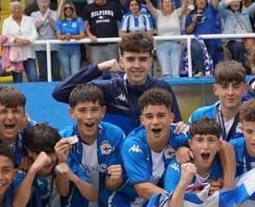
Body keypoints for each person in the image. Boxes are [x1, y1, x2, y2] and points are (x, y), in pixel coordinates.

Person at [113, 88, 191, 207]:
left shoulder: (180, 138)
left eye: (161, 115)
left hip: (155, 206)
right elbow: (143, 189)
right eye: (149, 117)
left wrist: (185, 147)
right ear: (142, 120)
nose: (155, 122)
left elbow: (211, 145)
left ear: (171, 118)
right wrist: (178, 201)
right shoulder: (133, 144)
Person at [53, 32, 182, 134]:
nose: (136, 65)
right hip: (115, 162)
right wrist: (99, 67)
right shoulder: (108, 89)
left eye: (142, 59)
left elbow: (175, 126)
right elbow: (60, 93)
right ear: (121, 61)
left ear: (150, 61)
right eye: (130, 59)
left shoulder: (162, 88)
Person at [56, 83, 125, 207]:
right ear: (71, 113)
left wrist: (116, 178)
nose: (89, 116)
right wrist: (62, 162)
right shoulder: (63, 140)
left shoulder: (115, 135)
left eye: (94, 110)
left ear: (103, 111)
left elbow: (113, 186)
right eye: (82, 110)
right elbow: (63, 191)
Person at [16, 123, 63, 207]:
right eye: (39, 153)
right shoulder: (24, 172)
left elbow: (64, 192)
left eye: (50, 152)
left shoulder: (64, 166)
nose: (46, 159)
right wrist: (33, 170)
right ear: (30, 152)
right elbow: (19, 205)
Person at [184, 0, 223, 77]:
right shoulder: (191, 15)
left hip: (211, 43)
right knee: (193, 45)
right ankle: (201, 71)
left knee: (209, 68)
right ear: (195, 2)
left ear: (206, 1)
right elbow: (187, 31)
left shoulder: (211, 9)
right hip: (198, 42)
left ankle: (204, 73)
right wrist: (193, 22)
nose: (201, 1)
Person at [219, 0, 255, 64]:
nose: (236, 3)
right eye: (233, 2)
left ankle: (252, 71)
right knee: (238, 47)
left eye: (237, 2)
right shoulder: (227, 14)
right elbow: (221, 5)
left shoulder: (245, 13)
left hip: (248, 40)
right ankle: (239, 68)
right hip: (233, 40)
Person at [146, 0, 188, 78]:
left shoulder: (177, 13)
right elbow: (150, 8)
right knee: (166, 73)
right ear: (162, 4)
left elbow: (184, 6)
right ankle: (167, 91)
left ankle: (175, 91)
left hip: (176, 45)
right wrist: (147, 0)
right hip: (162, 46)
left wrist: (185, 2)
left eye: (169, 2)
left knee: (175, 73)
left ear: (172, 4)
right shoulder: (158, 14)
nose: (167, 4)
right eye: (165, 2)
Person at [1, 0, 39, 82]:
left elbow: (35, 33)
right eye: (15, 8)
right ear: (11, 10)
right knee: (17, 79)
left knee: (33, 77)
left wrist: (29, 40)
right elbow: (5, 36)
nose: (17, 10)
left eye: (19, 8)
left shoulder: (29, 19)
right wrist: (15, 39)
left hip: (29, 52)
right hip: (15, 55)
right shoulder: (6, 21)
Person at [84, 0, 124, 64]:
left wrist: (121, 36)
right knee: (96, 71)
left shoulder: (113, 5)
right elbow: (84, 25)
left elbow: (123, 22)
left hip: (112, 44)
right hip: (95, 45)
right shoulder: (88, 8)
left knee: (114, 70)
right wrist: (90, 35)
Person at [31, 0, 60, 81]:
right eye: (41, 2)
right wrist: (43, 18)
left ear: (49, 3)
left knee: (56, 71)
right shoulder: (34, 14)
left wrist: (50, 18)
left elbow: (57, 28)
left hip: (54, 47)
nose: (43, 4)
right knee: (43, 72)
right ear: (38, 4)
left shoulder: (55, 13)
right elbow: (33, 28)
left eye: (45, 1)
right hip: (40, 47)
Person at [55, 1, 86, 79]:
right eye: (66, 8)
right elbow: (58, 35)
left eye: (70, 8)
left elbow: (82, 34)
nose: (68, 9)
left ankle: (74, 90)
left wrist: (72, 36)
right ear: (63, 10)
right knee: (66, 73)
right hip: (63, 49)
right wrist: (64, 37)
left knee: (75, 73)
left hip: (75, 49)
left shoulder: (78, 19)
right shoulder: (59, 20)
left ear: (73, 9)